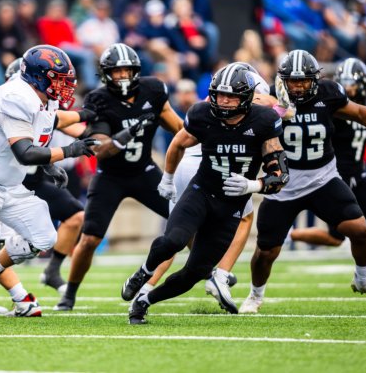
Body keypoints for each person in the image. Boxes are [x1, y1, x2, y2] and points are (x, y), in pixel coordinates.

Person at [122, 64, 288, 324]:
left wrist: (252, 186)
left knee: (196, 272)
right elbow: (178, 143)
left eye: (230, 96)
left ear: (246, 97)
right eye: (219, 94)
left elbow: (280, 175)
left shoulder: (263, 121)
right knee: (173, 241)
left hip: (231, 207)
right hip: (201, 191)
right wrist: (167, 178)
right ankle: (143, 272)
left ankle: (144, 300)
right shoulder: (202, 114)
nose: (222, 101)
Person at [0, 45, 99, 306]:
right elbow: (25, 153)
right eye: (58, 80)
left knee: (44, 237)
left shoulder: (39, 95)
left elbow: (47, 122)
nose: (63, 87)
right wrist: (70, 150)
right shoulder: (16, 96)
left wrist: (86, 113)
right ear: (39, 77)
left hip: (8, 182)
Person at [240, 50, 366, 314]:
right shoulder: (270, 97)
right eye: (293, 81)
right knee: (266, 252)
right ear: (283, 81)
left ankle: (363, 278)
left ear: (315, 79)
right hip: (283, 184)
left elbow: (359, 113)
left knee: (359, 231)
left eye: (304, 80)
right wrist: (274, 109)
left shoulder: (328, 94)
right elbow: (247, 119)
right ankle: (255, 295)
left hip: (323, 178)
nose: (299, 86)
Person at [55, 43, 184, 311]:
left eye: (127, 70)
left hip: (145, 171)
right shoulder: (99, 99)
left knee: (185, 222)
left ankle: (204, 273)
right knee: (90, 238)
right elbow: (101, 149)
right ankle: (69, 294)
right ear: (105, 74)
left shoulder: (153, 90)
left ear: (136, 71)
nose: (123, 76)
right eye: (117, 71)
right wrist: (128, 133)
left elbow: (181, 130)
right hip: (110, 176)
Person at [290, 58, 366, 247]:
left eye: (352, 83)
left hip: (359, 176)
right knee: (336, 238)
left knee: (357, 231)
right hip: (336, 177)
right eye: (344, 82)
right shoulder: (334, 106)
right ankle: (291, 235)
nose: (347, 88)